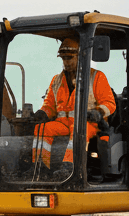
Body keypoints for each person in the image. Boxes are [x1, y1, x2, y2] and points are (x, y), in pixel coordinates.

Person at [32, 37, 115, 172]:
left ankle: (69, 168)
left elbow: (109, 103)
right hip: (63, 123)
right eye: (63, 58)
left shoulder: (97, 77)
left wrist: (98, 112)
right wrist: (43, 113)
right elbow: (49, 105)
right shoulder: (57, 80)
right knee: (41, 129)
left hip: (88, 123)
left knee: (79, 129)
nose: (66, 62)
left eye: (70, 58)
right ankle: (40, 168)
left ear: (81, 56)